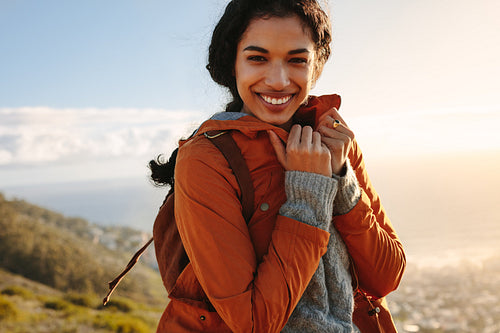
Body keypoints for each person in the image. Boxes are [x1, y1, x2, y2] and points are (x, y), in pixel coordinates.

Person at [150, 0, 405, 331]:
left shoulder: (333, 138)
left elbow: (387, 276)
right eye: (257, 58)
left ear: (316, 67)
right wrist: (307, 195)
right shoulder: (206, 159)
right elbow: (254, 323)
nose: (279, 80)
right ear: (232, 63)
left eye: (297, 60)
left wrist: (341, 179)